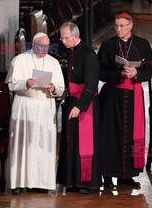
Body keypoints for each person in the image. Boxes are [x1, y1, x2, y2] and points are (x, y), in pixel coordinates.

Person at [96, 12, 152, 188]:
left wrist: (137, 73)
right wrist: (120, 74)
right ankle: (107, 175)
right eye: (116, 26)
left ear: (130, 26)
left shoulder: (142, 44)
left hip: (134, 96)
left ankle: (126, 176)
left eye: (121, 26)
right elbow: (100, 72)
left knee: (130, 136)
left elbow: (151, 69)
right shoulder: (108, 45)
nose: (118, 29)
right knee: (110, 136)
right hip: (112, 97)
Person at [7, 32, 65, 195]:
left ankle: (41, 182)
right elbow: (11, 85)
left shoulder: (53, 63)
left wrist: (53, 88)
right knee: (23, 143)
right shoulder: (19, 60)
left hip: (46, 106)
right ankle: (19, 182)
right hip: (25, 105)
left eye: (47, 46)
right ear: (33, 45)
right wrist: (26, 82)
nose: (45, 49)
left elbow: (61, 89)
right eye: (41, 46)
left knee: (43, 144)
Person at [56, 22, 102, 194]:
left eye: (66, 38)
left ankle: (87, 183)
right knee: (72, 144)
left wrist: (79, 106)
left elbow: (91, 86)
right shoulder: (70, 51)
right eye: (61, 38)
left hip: (85, 105)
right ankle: (73, 181)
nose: (63, 41)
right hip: (72, 101)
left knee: (85, 145)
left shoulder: (88, 54)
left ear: (75, 36)